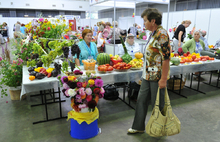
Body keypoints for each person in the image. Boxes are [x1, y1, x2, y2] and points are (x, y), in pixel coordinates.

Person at [127, 8, 171, 134]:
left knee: (158, 103)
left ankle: (160, 128)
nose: (144, 23)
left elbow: (166, 59)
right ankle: (138, 126)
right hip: (147, 75)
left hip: (157, 76)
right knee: (141, 100)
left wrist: (163, 79)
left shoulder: (161, 34)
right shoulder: (153, 33)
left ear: (153, 21)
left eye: (145, 20)